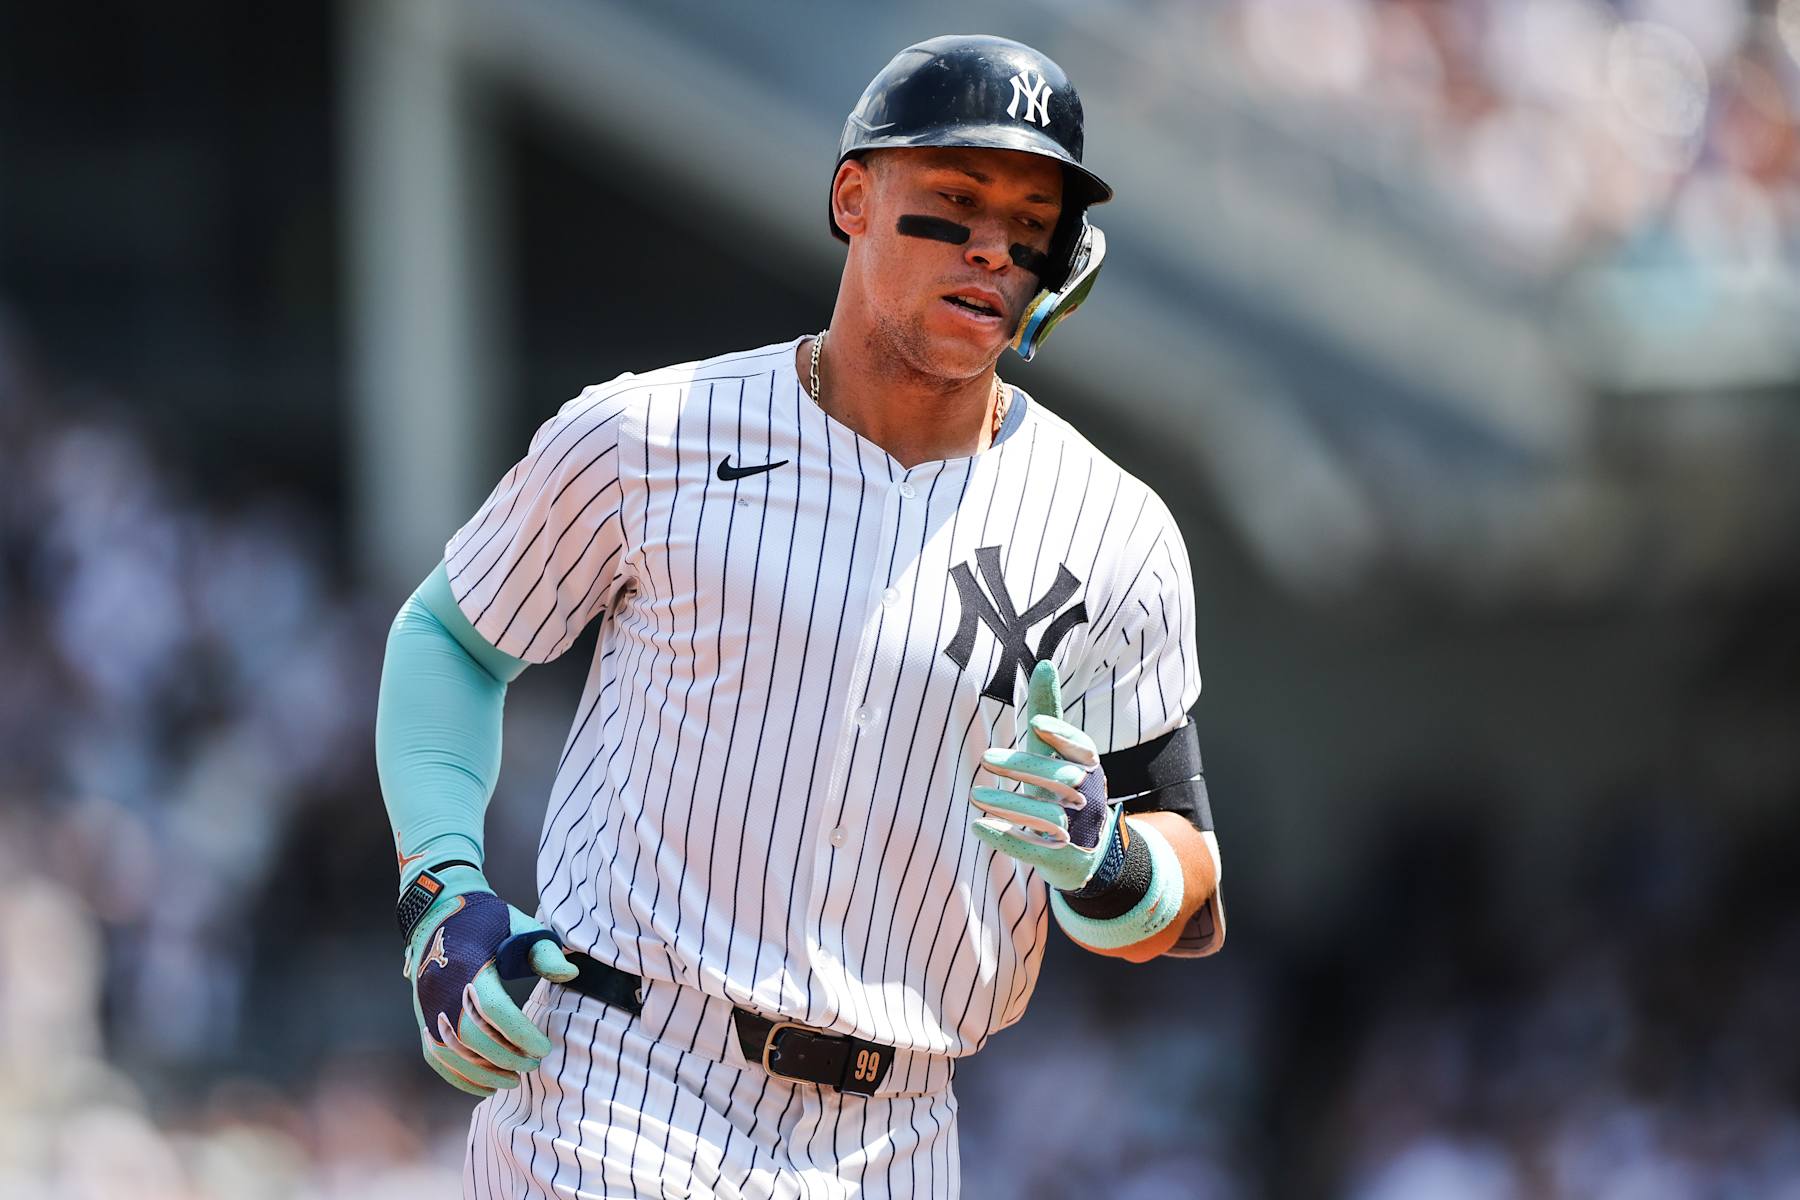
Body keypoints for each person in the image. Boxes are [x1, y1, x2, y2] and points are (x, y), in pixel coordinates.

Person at [376, 33, 1224, 1199]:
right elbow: (451, 639)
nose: (993, 245)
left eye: (1033, 219)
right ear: (853, 197)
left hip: (899, 1130)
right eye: (957, 198)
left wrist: (1109, 858)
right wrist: (443, 886)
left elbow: (1187, 893)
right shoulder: (650, 435)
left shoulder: (1115, 532)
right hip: (619, 1073)